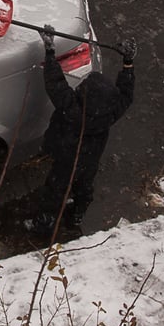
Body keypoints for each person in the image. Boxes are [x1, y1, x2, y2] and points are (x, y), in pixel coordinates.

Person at [25, 26, 135, 237]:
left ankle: (43, 225)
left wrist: (50, 50)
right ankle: (78, 213)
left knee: (55, 191)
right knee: (84, 187)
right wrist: (128, 63)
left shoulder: (72, 109)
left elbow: (55, 82)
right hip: (89, 160)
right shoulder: (111, 112)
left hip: (66, 158)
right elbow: (127, 94)